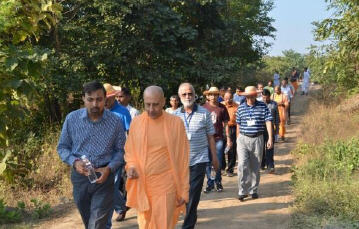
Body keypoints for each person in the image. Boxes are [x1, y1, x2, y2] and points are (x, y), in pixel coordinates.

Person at [57, 81, 126, 229]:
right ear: (83, 99)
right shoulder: (71, 119)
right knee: (89, 221)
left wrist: (110, 168)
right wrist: (75, 162)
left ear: (105, 99)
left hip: (104, 178)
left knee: (97, 224)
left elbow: (121, 150)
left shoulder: (115, 122)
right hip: (80, 179)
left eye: (99, 99)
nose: (95, 104)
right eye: (90, 99)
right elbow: (62, 147)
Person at [125, 86, 190, 229]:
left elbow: (182, 159)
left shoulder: (175, 123)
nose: (151, 109)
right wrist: (131, 167)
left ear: (163, 102)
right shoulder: (137, 123)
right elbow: (130, 152)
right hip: (143, 184)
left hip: (166, 184)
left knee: (163, 224)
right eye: (148, 104)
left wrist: (183, 190)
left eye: (155, 104)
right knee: (145, 224)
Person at [174, 83, 219, 229]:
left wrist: (215, 157)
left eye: (190, 94)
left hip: (199, 160)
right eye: (184, 94)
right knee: (181, 195)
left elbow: (210, 137)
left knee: (193, 196)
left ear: (195, 95)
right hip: (179, 163)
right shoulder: (174, 116)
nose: (188, 97)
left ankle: (188, 225)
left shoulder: (204, 113)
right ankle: (187, 218)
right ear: (179, 96)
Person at [236, 86, 273, 201]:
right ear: (245, 96)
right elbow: (238, 124)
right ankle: (242, 191)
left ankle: (253, 190)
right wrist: (238, 138)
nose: (251, 97)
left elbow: (268, 121)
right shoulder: (241, 108)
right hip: (243, 138)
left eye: (253, 95)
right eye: (248, 96)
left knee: (255, 165)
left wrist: (270, 138)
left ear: (256, 95)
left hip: (258, 138)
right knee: (242, 164)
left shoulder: (263, 106)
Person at [103, 83, 131, 226]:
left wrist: (129, 155)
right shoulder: (100, 111)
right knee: (105, 185)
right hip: (102, 155)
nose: (105, 101)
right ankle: (123, 205)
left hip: (119, 154)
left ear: (113, 97)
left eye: (108, 98)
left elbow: (130, 134)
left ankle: (120, 208)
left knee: (112, 184)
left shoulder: (123, 112)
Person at [203, 87, 230, 193]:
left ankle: (218, 182)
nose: (213, 97)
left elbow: (226, 124)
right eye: (211, 94)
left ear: (218, 96)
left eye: (215, 94)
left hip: (218, 139)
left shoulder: (222, 108)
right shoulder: (203, 108)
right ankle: (210, 183)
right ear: (207, 96)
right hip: (206, 139)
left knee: (217, 161)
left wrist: (228, 138)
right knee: (208, 162)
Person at [261, 89, 280, 173]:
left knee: (270, 147)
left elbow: (277, 117)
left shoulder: (274, 104)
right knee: (261, 147)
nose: (265, 99)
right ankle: (262, 164)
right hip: (261, 128)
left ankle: (270, 165)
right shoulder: (259, 104)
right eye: (263, 97)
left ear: (269, 96)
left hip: (271, 128)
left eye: (266, 97)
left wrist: (277, 130)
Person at [221, 91, 238, 177]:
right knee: (221, 148)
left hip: (232, 129)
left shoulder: (237, 106)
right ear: (223, 98)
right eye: (226, 98)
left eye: (230, 98)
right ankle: (222, 167)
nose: (228, 100)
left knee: (231, 149)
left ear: (232, 97)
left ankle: (230, 169)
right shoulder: (220, 106)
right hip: (221, 129)